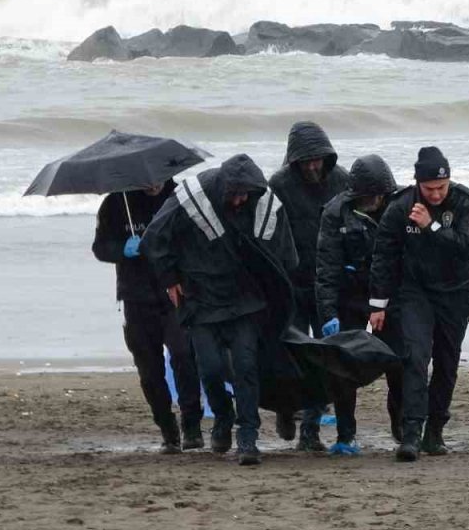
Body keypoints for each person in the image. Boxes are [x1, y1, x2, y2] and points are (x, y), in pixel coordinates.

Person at [142, 154, 298, 466]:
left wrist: (277, 297)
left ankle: (248, 438)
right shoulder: (191, 196)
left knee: (245, 367)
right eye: (235, 195)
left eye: (246, 195)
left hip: (246, 300)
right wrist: (170, 278)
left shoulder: (267, 203)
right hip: (201, 298)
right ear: (223, 187)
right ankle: (223, 416)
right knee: (210, 369)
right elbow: (154, 239)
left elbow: (286, 258)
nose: (241, 201)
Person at [369, 147, 469, 461]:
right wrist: (377, 304)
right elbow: (383, 256)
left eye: (441, 188)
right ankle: (411, 432)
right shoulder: (400, 206)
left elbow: (465, 246)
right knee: (414, 357)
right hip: (415, 292)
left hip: (456, 291)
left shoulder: (465, 201)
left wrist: (431, 226)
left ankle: (435, 431)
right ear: (418, 183)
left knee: (447, 361)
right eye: (429, 188)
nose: (436, 193)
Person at [92, 180, 203, 453]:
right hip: (135, 296)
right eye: (146, 181)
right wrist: (124, 249)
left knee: (184, 356)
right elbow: (100, 248)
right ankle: (168, 429)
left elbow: (197, 240)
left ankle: (192, 426)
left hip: (175, 294)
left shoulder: (179, 198)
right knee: (149, 370)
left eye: (158, 179)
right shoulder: (116, 203)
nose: (153, 185)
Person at [268, 121, 351, 451]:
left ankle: (311, 430)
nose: (314, 166)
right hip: (290, 285)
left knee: (326, 357)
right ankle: (286, 409)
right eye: (307, 160)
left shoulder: (342, 180)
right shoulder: (277, 185)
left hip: (328, 285)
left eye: (319, 159)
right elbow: (265, 234)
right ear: (294, 160)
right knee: (290, 355)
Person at [315, 154, 402, 454]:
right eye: (368, 196)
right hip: (348, 297)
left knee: (397, 361)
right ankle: (346, 434)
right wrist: (328, 312)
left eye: (379, 195)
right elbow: (325, 267)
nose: (374, 200)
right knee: (343, 368)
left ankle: (402, 426)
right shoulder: (335, 212)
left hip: (390, 297)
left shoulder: (399, 206)